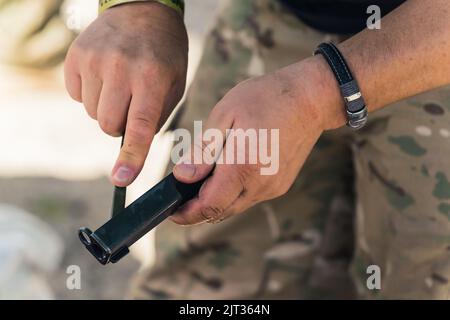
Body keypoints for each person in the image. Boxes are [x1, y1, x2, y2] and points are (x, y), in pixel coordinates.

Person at [64, 0, 450, 299]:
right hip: (281, 15)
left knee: (424, 280)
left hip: (433, 36)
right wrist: (140, 10)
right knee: (200, 285)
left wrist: (317, 95)